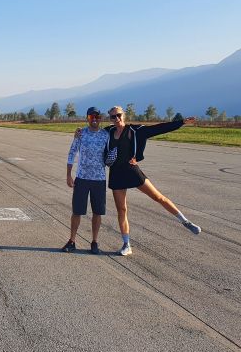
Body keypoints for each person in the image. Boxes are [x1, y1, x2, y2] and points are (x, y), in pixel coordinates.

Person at [104, 106, 201, 256]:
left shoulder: (135, 130)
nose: (116, 119)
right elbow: (92, 134)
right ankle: (126, 244)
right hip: (116, 174)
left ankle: (185, 221)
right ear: (110, 119)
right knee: (122, 210)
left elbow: (159, 128)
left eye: (118, 115)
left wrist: (180, 122)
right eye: (112, 117)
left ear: (124, 115)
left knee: (158, 197)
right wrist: (79, 133)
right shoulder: (108, 132)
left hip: (131, 171)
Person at [62, 107, 111, 254]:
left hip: (99, 179)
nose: (94, 119)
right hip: (82, 178)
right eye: (91, 117)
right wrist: (69, 175)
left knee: (98, 212)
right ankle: (72, 241)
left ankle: (94, 242)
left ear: (101, 118)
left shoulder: (106, 135)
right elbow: (72, 153)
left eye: (97, 117)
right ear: (87, 118)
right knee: (77, 211)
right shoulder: (81, 134)